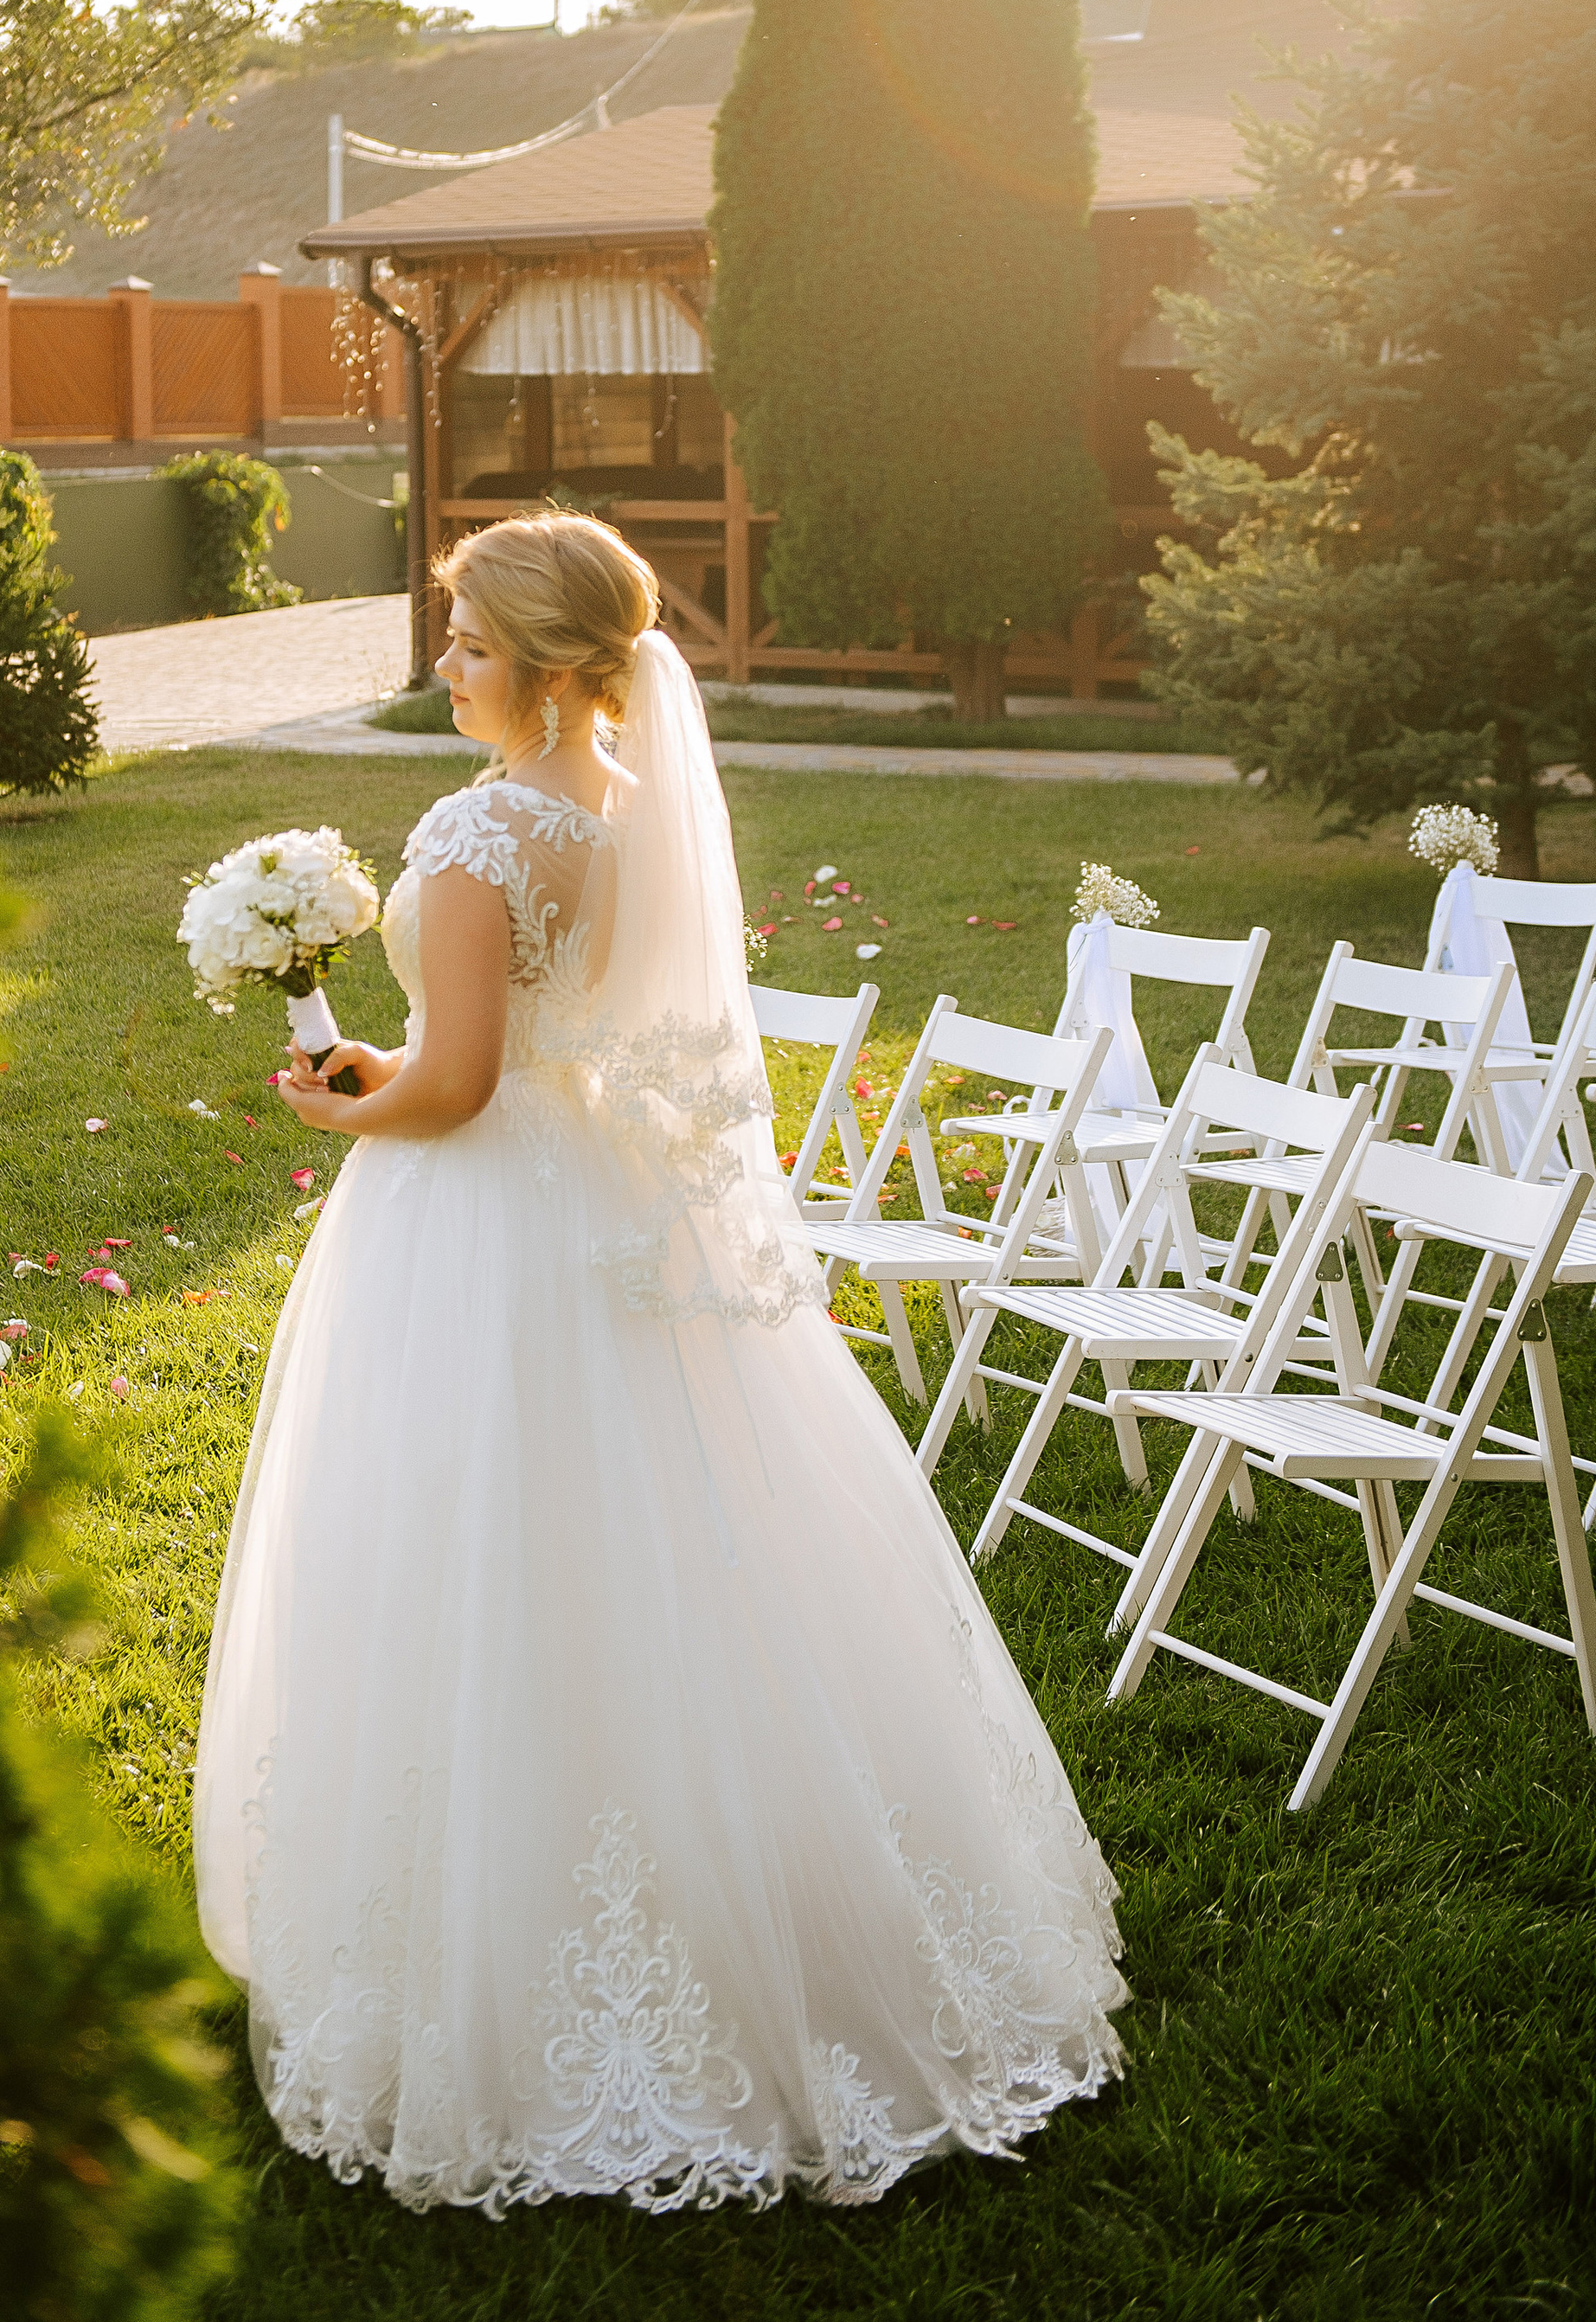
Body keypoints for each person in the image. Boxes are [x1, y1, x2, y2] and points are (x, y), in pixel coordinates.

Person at [194, 513, 1125, 2214]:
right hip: (606, 1205)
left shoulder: (481, 834)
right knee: (678, 1549)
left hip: (483, 1223)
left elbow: (464, 1086)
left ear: (547, 664)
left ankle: (503, 1976)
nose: (448, 666)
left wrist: (343, 1093)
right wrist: (416, 1066)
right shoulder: (626, 806)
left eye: (468, 642)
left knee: (481, 1563)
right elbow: (546, 1041)